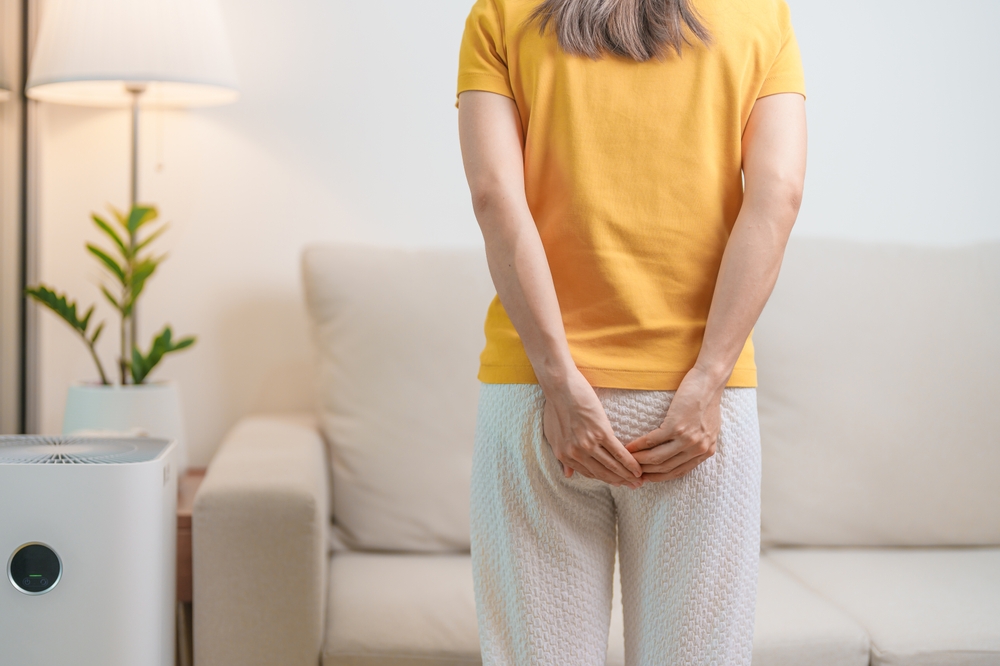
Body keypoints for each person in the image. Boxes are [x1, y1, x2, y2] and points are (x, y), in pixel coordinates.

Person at [456, 0, 806, 662]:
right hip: (693, 408)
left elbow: (495, 196)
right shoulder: (760, 13)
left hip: (540, 399)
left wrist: (559, 381)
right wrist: (710, 377)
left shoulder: (499, 12)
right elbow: (779, 192)